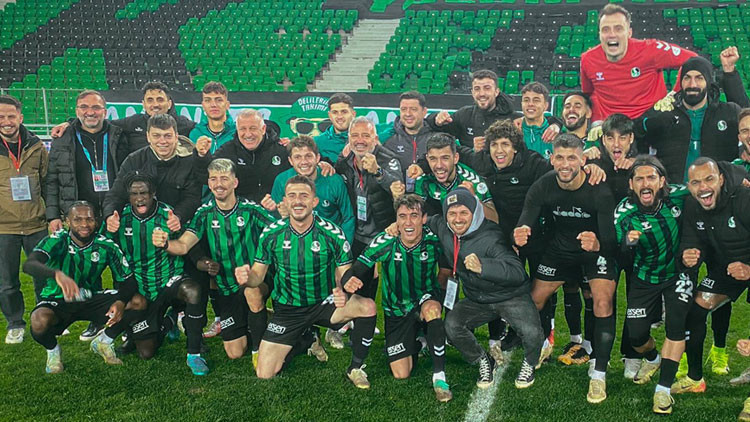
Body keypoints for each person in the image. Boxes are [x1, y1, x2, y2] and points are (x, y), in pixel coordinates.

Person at [457, 120, 604, 365]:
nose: (499, 150)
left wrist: (592, 167)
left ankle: (544, 340)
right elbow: (455, 152)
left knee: (539, 290)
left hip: (538, 235)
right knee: (506, 285)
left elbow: (564, 171)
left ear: (516, 148)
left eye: (505, 144)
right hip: (505, 238)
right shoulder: (482, 161)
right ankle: (511, 333)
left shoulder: (534, 163)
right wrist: (421, 166)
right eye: (494, 145)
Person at [234, 176, 377, 379]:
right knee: (265, 374)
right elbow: (257, 276)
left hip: (324, 303)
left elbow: (344, 271)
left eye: (304, 196)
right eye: (292, 196)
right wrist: (247, 278)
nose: (298, 201)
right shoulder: (271, 233)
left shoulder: (332, 233)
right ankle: (306, 340)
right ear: (285, 201)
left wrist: (342, 290)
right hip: (288, 309)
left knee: (367, 306)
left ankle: (356, 367)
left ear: (314, 201)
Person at [514, 134, 617, 403]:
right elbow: (527, 218)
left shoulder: (599, 189)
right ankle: (536, 351)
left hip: (593, 252)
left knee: (602, 302)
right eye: (559, 157)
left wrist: (598, 243)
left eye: (572, 157)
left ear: (583, 160)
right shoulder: (543, 185)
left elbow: (611, 241)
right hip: (560, 251)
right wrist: (521, 230)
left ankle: (599, 373)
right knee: (533, 301)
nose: (565, 164)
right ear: (552, 159)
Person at [152, 159, 275, 367]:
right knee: (234, 352)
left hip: (254, 280)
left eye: (224, 179)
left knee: (251, 293)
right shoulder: (204, 213)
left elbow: (277, 231)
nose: (219, 184)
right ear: (209, 183)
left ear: (235, 182)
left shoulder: (251, 210)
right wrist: (165, 244)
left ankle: (258, 351)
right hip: (226, 287)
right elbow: (183, 245)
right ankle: (263, 317)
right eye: (214, 179)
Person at [340, 194, 452, 401]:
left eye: (414, 216)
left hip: (424, 300)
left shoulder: (434, 240)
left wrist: (439, 299)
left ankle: (439, 378)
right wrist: (348, 282)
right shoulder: (384, 241)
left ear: (423, 218)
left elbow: (446, 271)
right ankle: (419, 342)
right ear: (396, 220)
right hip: (396, 310)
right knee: (401, 373)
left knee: (432, 310)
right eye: (402, 216)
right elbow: (356, 268)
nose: (408, 222)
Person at [434, 187, 542, 389]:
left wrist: (484, 267)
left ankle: (530, 363)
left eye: (464, 212)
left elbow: (517, 271)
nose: (457, 219)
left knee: (532, 332)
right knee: (452, 325)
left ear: (474, 213)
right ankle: (483, 359)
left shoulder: (492, 236)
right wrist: (397, 225)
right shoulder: (444, 228)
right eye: (452, 213)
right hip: (477, 299)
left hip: (509, 296)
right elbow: (426, 219)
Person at [102, 173, 208, 374]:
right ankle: (164, 323)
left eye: (143, 193)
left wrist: (200, 260)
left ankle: (194, 353)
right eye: (134, 194)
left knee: (192, 290)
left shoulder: (169, 215)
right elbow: (103, 246)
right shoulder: (119, 218)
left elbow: (189, 241)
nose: (139, 198)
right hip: (140, 287)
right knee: (146, 352)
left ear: (153, 193)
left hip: (169, 280)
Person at [45, 89, 129, 341]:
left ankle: (123, 317)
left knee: (121, 265)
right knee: (86, 269)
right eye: (84, 107)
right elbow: (52, 180)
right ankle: (94, 318)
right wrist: (53, 215)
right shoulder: (64, 138)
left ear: (105, 111)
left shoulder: (119, 134)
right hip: (81, 216)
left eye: (95, 107)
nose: (90, 112)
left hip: (114, 212)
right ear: (76, 110)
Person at [613, 155, 693, 414]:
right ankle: (653, 358)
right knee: (636, 336)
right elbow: (620, 253)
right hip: (644, 277)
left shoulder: (678, 195)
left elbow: (707, 187)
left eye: (651, 178)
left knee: (676, 326)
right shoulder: (624, 212)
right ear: (631, 184)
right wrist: (629, 242)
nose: (645, 183)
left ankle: (663, 390)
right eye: (639, 179)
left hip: (677, 274)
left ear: (662, 181)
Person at [22, 201, 134, 373]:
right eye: (77, 219)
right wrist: (56, 274)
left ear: (96, 221)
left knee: (137, 302)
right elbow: (29, 264)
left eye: (89, 219)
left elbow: (128, 280)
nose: (84, 224)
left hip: (90, 297)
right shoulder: (57, 240)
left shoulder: (106, 245)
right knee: (39, 321)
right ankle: (53, 351)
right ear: (67, 221)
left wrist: (121, 301)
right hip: (58, 299)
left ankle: (103, 342)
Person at [672, 158, 750, 398]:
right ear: (689, 186)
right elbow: (690, 240)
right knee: (695, 310)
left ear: (721, 179)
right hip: (727, 269)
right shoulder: (692, 205)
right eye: (696, 182)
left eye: (709, 179)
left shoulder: (744, 199)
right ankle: (695, 378)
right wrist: (688, 255)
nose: (703, 187)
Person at [333, 116, 402, 349]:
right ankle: (353, 322)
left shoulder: (388, 159)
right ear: (349, 138)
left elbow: (398, 191)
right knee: (357, 277)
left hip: (385, 231)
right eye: (355, 135)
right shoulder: (346, 161)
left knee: (394, 284)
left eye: (365, 135)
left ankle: (398, 333)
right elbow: (337, 176)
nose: (360, 140)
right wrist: (328, 165)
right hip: (358, 231)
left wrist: (378, 172)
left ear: (375, 138)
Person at [638, 55, 746, 183]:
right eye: (687, 78)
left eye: (699, 78)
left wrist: (730, 74)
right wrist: (647, 124)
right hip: (673, 191)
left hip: (719, 190)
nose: (692, 84)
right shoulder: (664, 111)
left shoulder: (727, 112)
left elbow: (747, 116)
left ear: (708, 82)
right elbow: (635, 132)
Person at [580, 4, 697, 121]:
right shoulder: (588, 59)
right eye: (606, 30)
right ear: (599, 34)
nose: (612, 35)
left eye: (618, 29)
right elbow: (589, 94)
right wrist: (597, 121)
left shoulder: (651, 50)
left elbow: (693, 59)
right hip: (614, 127)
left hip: (652, 122)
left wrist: (675, 94)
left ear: (629, 33)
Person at [0, 95, 49, 344]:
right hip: (3, 227)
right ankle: (15, 323)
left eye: (11, 116)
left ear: (20, 117)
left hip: (36, 224)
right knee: (7, 281)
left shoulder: (36, 145)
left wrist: (53, 216)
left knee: (42, 276)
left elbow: (47, 182)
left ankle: (46, 316)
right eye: (1, 117)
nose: (6, 121)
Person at [49, 82, 196, 154]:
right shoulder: (133, 122)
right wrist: (70, 123)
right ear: (143, 104)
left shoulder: (184, 124)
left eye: (160, 100)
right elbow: (101, 123)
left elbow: (205, 128)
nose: (155, 105)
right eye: (150, 100)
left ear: (169, 103)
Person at [268, 135, 354, 242]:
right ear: (290, 161)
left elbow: (348, 217)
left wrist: (344, 246)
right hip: (293, 242)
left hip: (329, 243)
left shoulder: (334, 181)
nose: (304, 162)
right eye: (297, 157)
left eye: (308, 156)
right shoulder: (281, 181)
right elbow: (274, 217)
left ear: (317, 158)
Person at [426, 69, 528, 148]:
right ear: (472, 92)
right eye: (477, 89)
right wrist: (436, 119)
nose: (482, 94)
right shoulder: (464, 115)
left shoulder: (515, 120)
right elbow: (432, 126)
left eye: (487, 88)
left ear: (496, 92)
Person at [412, 133, 498, 222]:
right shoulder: (423, 179)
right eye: (433, 159)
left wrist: (474, 198)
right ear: (427, 159)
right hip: (437, 226)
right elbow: (414, 213)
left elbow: (494, 219)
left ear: (455, 158)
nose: (439, 165)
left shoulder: (471, 180)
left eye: (445, 158)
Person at [211, 109, 290, 204]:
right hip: (240, 211)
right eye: (242, 129)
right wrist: (201, 156)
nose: (248, 134)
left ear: (263, 129)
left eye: (253, 128)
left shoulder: (281, 150)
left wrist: (278, 204)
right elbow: (206, 174)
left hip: (275, 210)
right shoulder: (227, 151)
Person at [314, 93, 392, 163]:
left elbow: (396, 125)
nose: (340, 116)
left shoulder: (373, 130)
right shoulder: (318, 142)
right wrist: (321, 165)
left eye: (344, 112)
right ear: (330, 115)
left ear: (353, 114)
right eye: (335, 112)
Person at [383, 91, 437, 191]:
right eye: (403, 109)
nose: (408, 114)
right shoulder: (389, 142)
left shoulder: (437, 139)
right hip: (400, 198)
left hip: (432, 198)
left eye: (413, 109)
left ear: (424, 111)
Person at [512, 82, 564, 159]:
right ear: (521, 104)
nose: (530, 104)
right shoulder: (513, 131)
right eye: (526, 100)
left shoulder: (556, 133)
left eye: (536, 100)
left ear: (545, 106)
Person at [189, 81, 236, 156]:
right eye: (207, 100)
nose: (213, 105)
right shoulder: (195, 134)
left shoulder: (237, 133)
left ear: (227, 105)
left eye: (219, 100)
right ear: (203, 106)